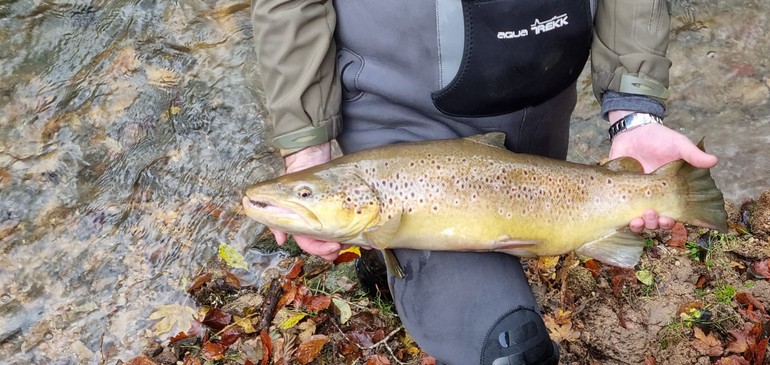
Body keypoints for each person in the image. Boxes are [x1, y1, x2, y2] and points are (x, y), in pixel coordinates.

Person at [250, 1, 718, 364]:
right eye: (307, 197)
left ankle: (389, 264)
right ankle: (386, 266)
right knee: (508, 350)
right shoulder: (369, 182)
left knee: (557, 221)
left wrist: (633, 113)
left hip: (543, 109)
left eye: (308, 195)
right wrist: (306, 144)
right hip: (396, 114)